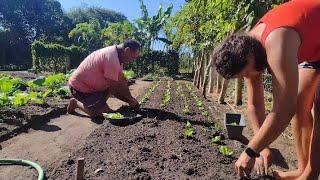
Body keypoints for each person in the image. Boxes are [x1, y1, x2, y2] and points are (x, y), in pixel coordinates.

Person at [212, 0, 320, 179]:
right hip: (314, 46)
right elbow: (254, 104)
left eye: (245, 73)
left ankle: (310, 174)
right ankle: (302, 169)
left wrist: (250, 151)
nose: (247, 78)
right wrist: (262, 148)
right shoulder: (250, 45)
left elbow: (284, 109)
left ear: (248, 57)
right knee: (301, 101)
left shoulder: (277, 41)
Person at [67, 39, 141, 117]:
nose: (132, 60)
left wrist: (131, 98)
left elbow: (121, 80)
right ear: (127, 50)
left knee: (118, 82)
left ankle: (97, 104)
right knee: (105, 114)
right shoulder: (111, 59)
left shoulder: (117, 55)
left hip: (93, 87)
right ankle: (75, 103)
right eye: (133, 57)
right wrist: (129, 100)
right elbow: (115, 90)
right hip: (79, 88)